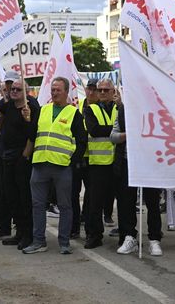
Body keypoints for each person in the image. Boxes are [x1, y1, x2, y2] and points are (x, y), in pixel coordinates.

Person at [23, 77, 87, 255]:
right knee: (37, 205)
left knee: (65, 206)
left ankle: (64, 242)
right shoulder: (43, 110)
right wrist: (27, 119)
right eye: (53, 89)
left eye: (58, 90)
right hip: (40, 164)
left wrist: (72, 162)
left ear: (66, 92)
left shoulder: (74, 113)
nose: (54, 92)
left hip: (62, 167)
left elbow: (82, 141)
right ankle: (38, 241)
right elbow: (32, 135)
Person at [0, 78, 40, 250]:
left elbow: (33, 135)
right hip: (6, 157)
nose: (13, 91)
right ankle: (19, 232)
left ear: (26, 92)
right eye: (12, 89)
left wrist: (24, 157)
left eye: (17, 89)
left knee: (24, 199)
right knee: (11, 197)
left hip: (21, 159)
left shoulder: (32, 107)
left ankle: (28, 235)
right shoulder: (9, 106)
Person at [111, 103, 163, 256]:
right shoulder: (123, 110)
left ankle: (154, 239)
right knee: (127, 200)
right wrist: (128, 135)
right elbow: (113, 136)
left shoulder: (155, 107)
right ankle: (129, 237)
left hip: (150, 162)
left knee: (152, 201)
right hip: (128, 162)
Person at [83, 79, 121, 250]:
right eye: (101, 90)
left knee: (124, 201)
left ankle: (126, 234)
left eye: (107, 90)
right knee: (95, 203)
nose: (103, 93)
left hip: (118, 162)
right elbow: (94, 130)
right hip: (97, 163)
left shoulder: (120, 108)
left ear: (114, 91)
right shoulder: (90, 109)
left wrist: (109, 129)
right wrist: (116, 131)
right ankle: (94, 235)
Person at [72, 79, 98, 238]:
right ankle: (74, 227)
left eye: (95, 90)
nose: (92, 92)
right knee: (72, 194)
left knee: (91, 196)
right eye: (90, 89)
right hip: (77, 156)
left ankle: (88, 225)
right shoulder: (78, 105)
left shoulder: (101, 108)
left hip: (93, 158)